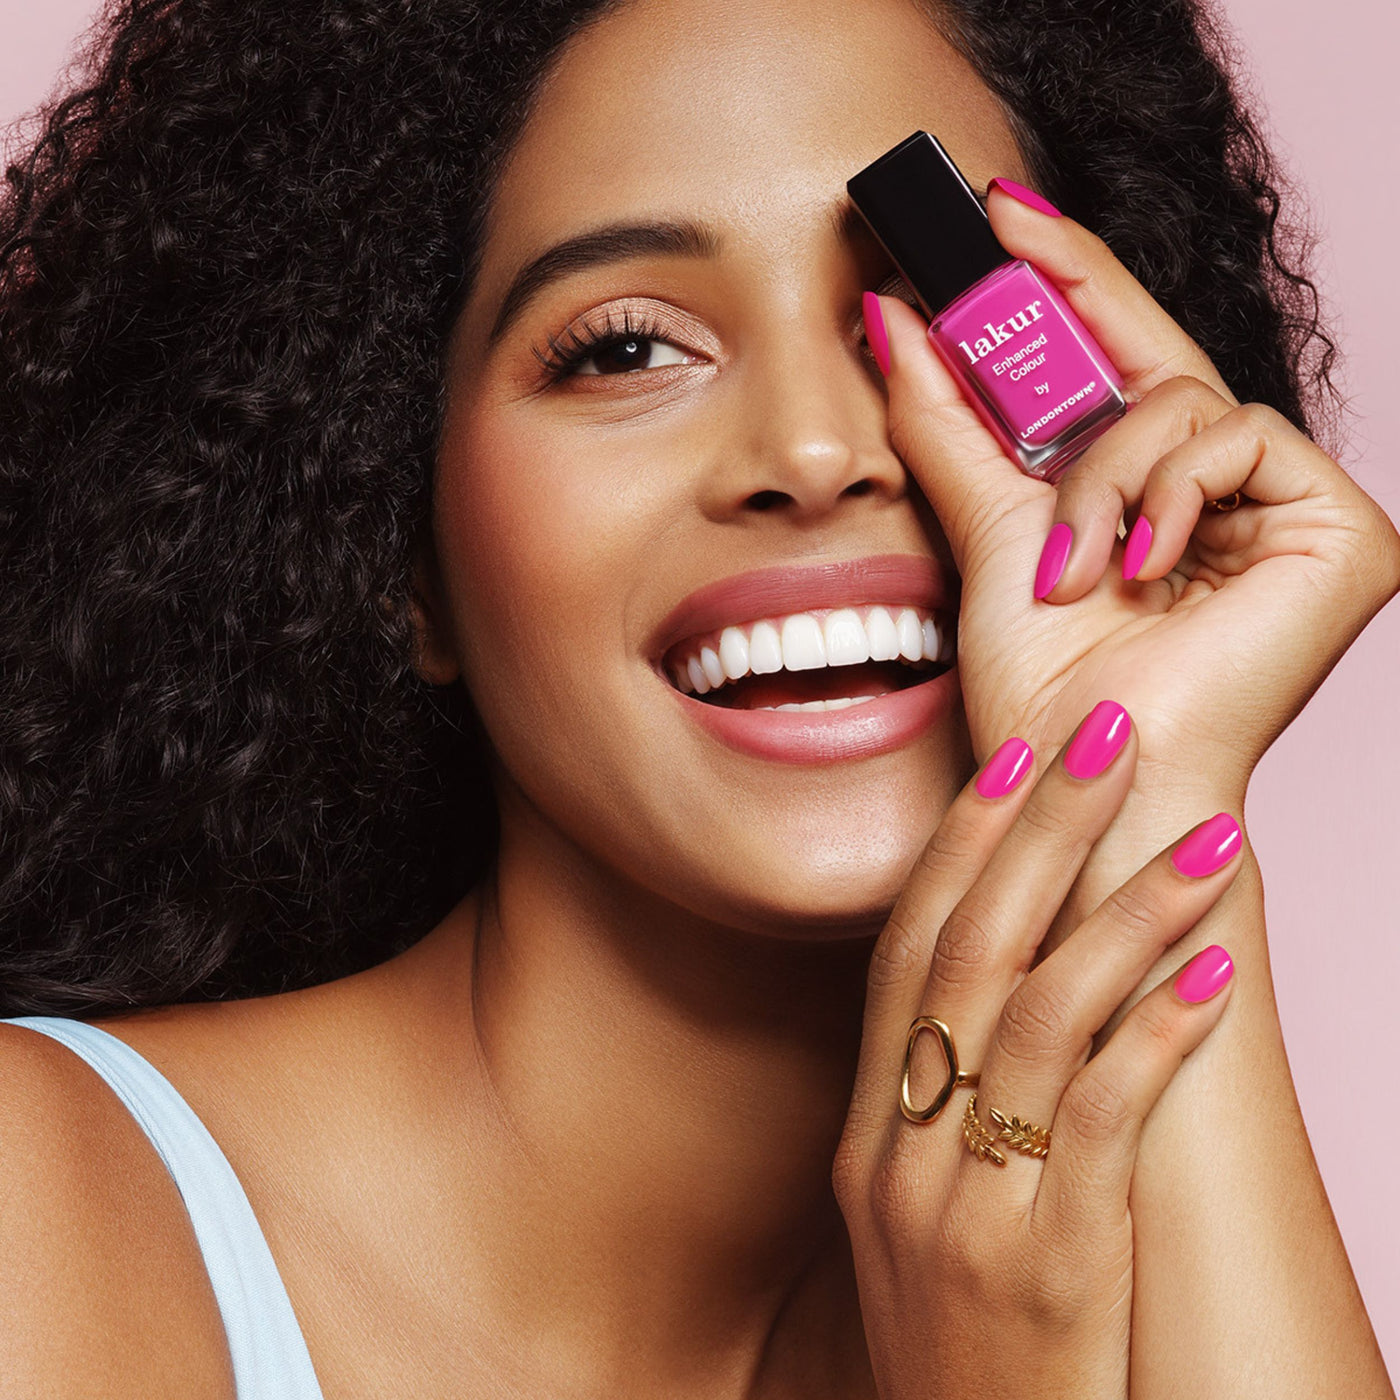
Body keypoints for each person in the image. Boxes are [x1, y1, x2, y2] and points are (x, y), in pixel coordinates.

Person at [0, 0, 1395, 1395]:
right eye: (622, 348)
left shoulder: (1095, 1283)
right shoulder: (41, 1202)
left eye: (926, 307)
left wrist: (1149, 792)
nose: (809, 448)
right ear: (400, 552)